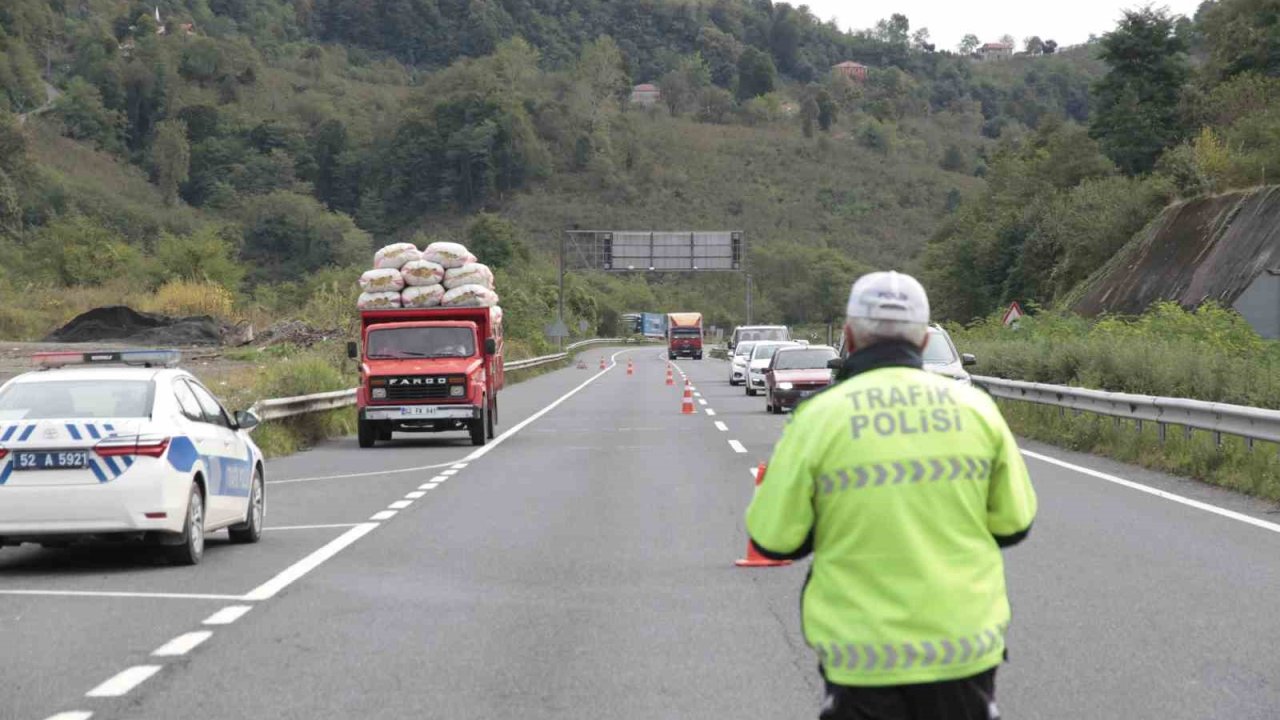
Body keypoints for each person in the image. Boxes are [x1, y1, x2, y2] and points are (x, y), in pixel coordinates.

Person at [745, 271, 1037, 720]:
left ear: (848, 337)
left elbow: (773, 538)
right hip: (963, 652)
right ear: (923, 340)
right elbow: (1014, 524)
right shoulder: (976, 409)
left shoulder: (818, 418)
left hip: (861, 661)